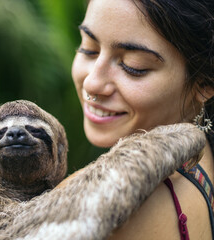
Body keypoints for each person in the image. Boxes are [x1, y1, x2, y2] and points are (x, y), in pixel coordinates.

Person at [70, 0, 214, 239]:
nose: (91, 83)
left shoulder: (119, 209)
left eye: (133, 66)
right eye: (89, 48)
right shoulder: (201, 160)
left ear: (205, 83)